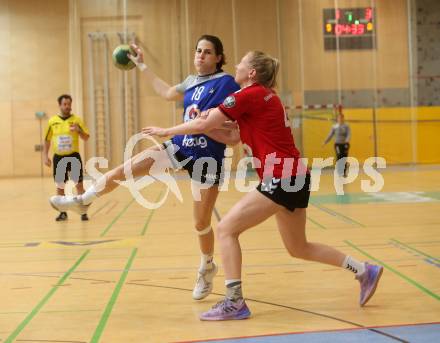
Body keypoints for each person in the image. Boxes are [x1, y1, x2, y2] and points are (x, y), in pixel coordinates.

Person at [143, 51, 383, 321]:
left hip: (281, 175)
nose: (237, 66)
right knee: (298, 247)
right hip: (295, 175)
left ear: (252, 72)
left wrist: (168, 131)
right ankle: (363, 270)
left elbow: (207, 123)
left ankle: (234, 302)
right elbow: (232, 136)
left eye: (242, 63)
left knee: (225, 230)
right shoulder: (266, 97)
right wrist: (204, 124)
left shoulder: (249, 94)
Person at [50, 35, 240, 300]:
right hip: (179, 146)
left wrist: (213, 126)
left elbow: (234, 134)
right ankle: (83, 199)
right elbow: (165, 92)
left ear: (218, 57)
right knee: (124, 169)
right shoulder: (190, 82)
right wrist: (141, 65)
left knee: (200, 223)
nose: (200, 55)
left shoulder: (228, 83)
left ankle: (207, 266)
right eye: (198, 50)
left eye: (207, 52)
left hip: (208, 158)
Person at [44, 94, 90, 221]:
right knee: (60, 186)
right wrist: (45, 156)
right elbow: (47, 140)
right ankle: (62, 212)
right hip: (59, 158)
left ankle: (83, 211)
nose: (67, 106)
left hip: (74, 157)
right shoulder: (52, 121)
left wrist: (78, 130)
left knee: (79, 185)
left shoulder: (77, 120)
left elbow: (86, 137)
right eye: (64, 104)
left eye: (69, 104)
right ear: (60, 105)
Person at [323, 112, 351, 177]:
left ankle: (344, 172)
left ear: (343, 118)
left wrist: (346, 141)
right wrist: (325, 142)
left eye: (341, 118)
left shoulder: (346, 126)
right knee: (339, 156)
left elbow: (348, 134)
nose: (340, 119)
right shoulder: (334, 126)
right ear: (337, 119)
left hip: (345, 144)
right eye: (339, 118)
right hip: (337, 144)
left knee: (344, 158)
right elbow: (330, 135)